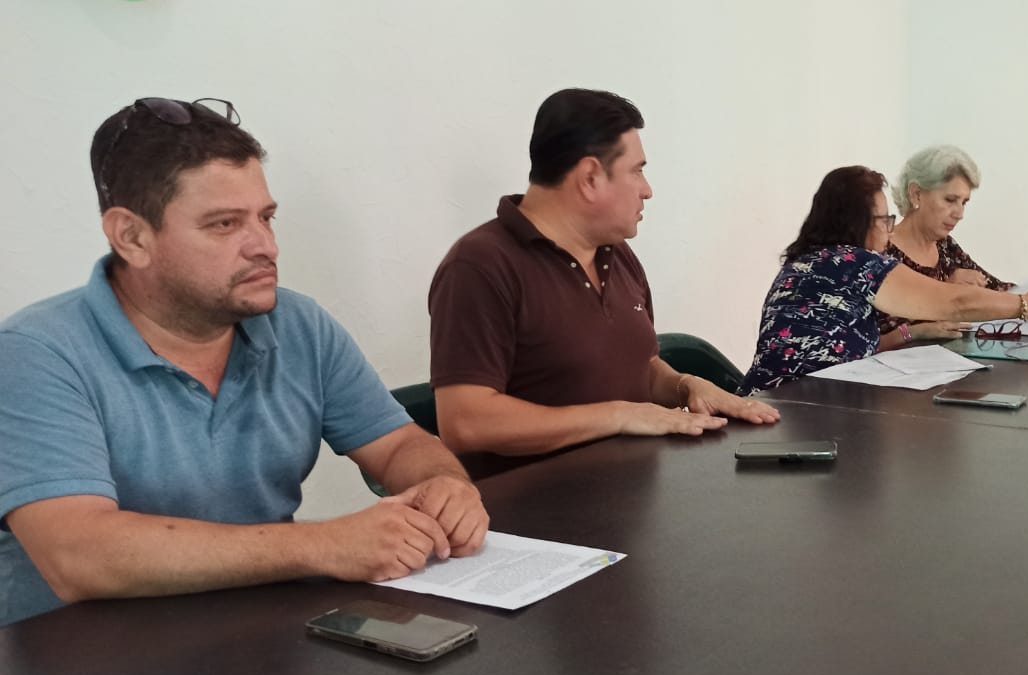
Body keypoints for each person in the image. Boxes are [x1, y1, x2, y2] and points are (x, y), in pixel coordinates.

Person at [0, 98, 489, 627]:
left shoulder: (299, 323)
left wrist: (445, 485)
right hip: (84, 657)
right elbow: (77, 555)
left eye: (266, 217)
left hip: (262, 633)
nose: (266, 246)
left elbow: (397, 445)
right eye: (224, 224)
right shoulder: (36, 351)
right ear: (132, 237)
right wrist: (324, 544)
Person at [428, 88, 779, 478]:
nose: (647, 190)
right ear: (590, 177)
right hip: (535, 507)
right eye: (637, 170)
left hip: (633, 492)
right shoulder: (479, 266)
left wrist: (686, 386)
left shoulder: (617, 253)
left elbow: (639, 367)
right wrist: (618, 416)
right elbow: (466, 423)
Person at [740, 166, 1028, 394]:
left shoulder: (807, 261)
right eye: (883, 220)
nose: (888, 230)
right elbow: (955, 302)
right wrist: (1025, 306)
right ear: (856, 222)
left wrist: (912, 333)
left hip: (773, 400)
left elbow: (838, 346)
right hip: (801, 408)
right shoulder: (855, 263)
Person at [875, 145, 1013, 351]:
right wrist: (949, 292)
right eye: (950, 200)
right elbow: (880, 330)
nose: (960, 214)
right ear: (916, 194)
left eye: (964, 202)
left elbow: (998, 291)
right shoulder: (880, 250)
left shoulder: (946, 246)